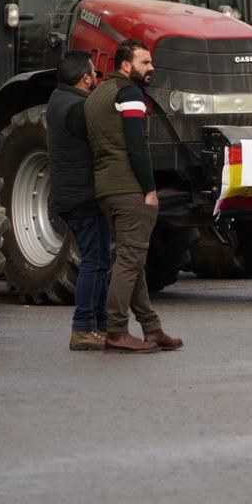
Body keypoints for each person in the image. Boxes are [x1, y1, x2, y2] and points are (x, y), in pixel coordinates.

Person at [86, 39, 182, 354]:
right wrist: (149, 189)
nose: (151, 68)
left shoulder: (98, 94)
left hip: (106, 189)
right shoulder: (129, 94)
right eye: (144, 63)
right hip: (129, 190)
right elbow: (136, 146)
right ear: (126, 66)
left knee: (132, 260)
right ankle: (115, 330)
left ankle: (152, 328)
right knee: (128, 262)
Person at [47, 51, 110, 351]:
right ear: (86, 77)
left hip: (70, 195)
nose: (97, 76)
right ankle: (84, 327)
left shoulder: (58, 99)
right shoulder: (78, 108)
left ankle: (98, 326)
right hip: (82, 196)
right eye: (95, 72)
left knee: (98, 261)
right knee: (94, 262)